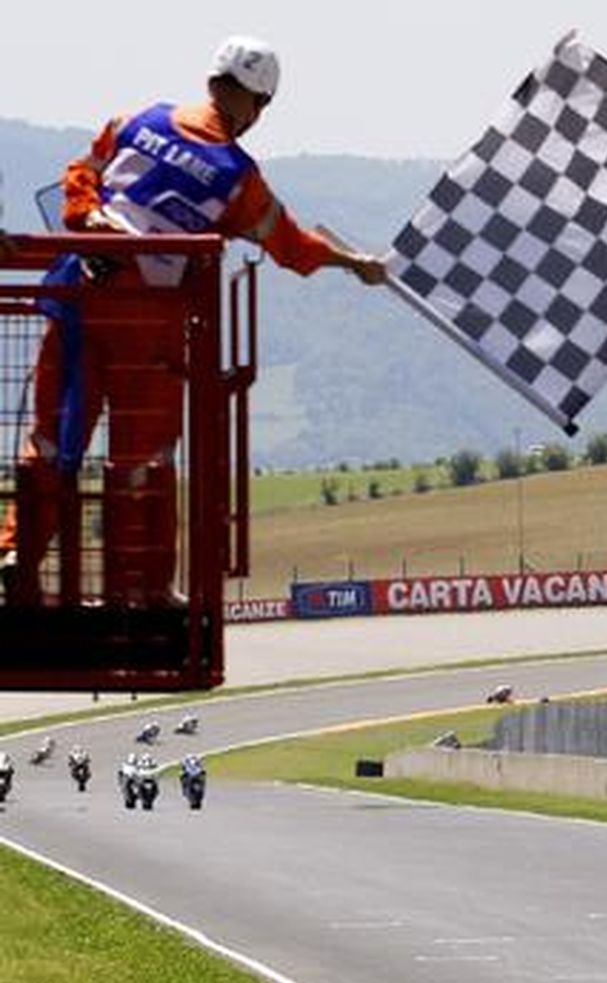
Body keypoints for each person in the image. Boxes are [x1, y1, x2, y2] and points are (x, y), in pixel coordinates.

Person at [0, 35, 386, 607]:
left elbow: (78, 182)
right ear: (257, 107)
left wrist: (91, 223)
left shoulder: (134, 121)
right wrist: (354, 264)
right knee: (141, 460)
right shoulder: (237, 177)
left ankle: (14, 562)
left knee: (51, 443)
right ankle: (145, 590)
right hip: (148, 326)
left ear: (212, 82)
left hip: (77, 296)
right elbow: (294, 246)